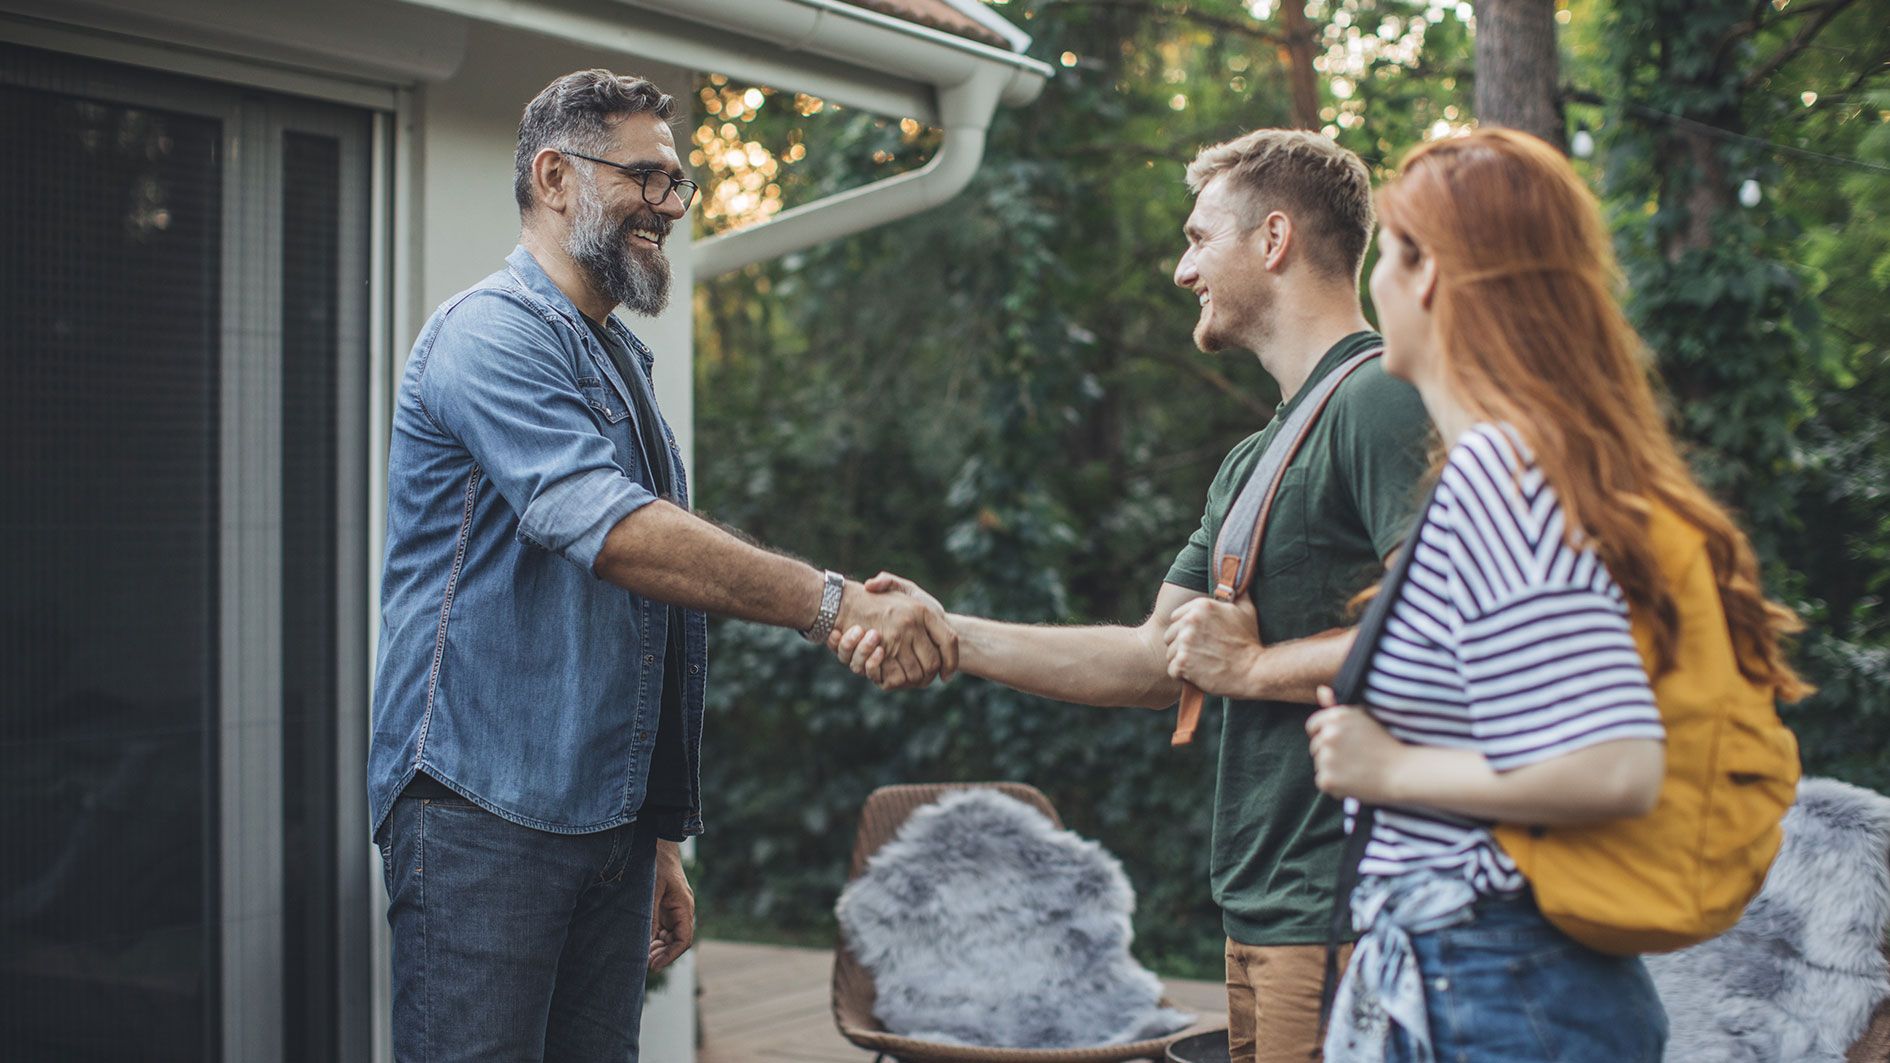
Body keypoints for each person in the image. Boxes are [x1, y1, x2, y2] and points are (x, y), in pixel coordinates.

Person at [367, 69, 956, 1060]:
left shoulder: (613, 361)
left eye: (679, 183)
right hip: (483, 817)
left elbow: (642, 627)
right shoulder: (491, 334)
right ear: (555, 177)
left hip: (603, 827)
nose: (671, 205)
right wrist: (833, 602)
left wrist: (657, 838)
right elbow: (620, 535)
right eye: (646, 177)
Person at [838, 129, 1433, 1063]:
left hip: (1348, 908)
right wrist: (949, 632)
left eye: (1200, 239)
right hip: (1264, 911)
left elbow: (1438, 631)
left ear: (1272, 240)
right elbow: (1157, 658)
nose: (1181, 269)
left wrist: (1252, 665)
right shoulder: (1255, 457)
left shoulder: (1381, 402)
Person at [1305, 128, 1812, 1062]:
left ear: (1425, 276)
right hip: (1498, 981)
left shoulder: (1506, 468)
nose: (1373, 283)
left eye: (1385, 252)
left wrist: (1386, 771)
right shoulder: (1539, 466)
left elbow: (1612, 766)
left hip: (1494, 984)